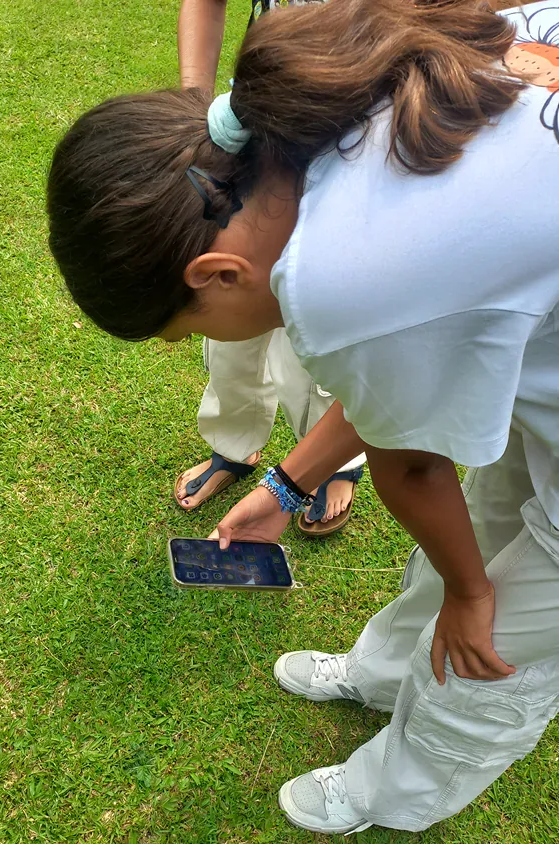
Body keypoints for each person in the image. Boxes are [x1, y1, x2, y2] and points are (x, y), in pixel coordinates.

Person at [46, 0, 559, 834]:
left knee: (494, 642)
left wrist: (470, 595)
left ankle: (398, 793)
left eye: (188, 331)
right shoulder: (313, 100)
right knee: (496, 522)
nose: (197, 343)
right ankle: (386, 671)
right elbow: (400, 369)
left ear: (215, 273)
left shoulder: (335, 283)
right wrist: (286, 488)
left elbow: (415, 464)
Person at [176, 0, 365, 535]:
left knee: (317, 327)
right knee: (229, 318)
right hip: (252, 129)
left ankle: (329, 461)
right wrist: (198, 107)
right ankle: (234, 445)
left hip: (354, 150)